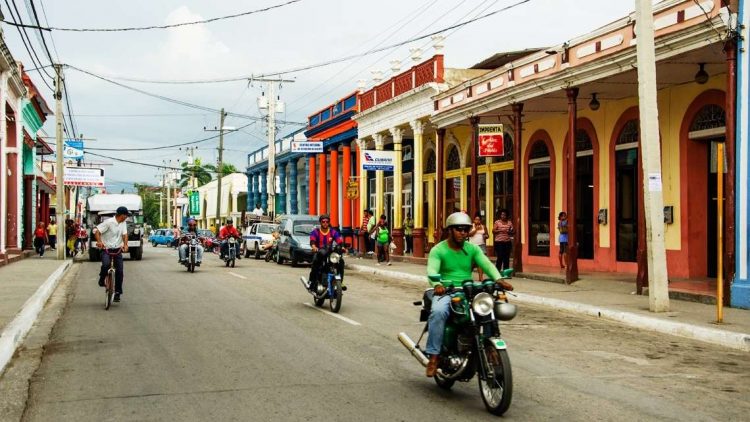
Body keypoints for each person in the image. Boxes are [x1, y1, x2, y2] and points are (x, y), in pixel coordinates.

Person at [425, 212, 514, 377]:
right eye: (459, 229)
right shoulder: (438, 250)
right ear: (450, 230)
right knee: (438, 312)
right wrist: (437, 284)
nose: (463, 233)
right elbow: (432, 269)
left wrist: (499, 279)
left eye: (466, 230)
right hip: (447, 290)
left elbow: (486, 264)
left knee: (488, 309)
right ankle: (434, 356)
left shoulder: (472, 248)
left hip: (468, 289)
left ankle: (489, 348)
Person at [95, 206, 130, 302]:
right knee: (106, 265)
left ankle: (118, 292)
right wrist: (99, 241)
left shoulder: (123, 223)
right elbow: (97, 231)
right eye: (126, 215)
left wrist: (125, 245)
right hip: (106, 248)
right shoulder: (109, 222)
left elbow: (124, 234)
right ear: (122, 215)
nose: (127, 217)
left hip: (117, 249)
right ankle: (102, 279)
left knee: (120, 271)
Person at [307, 214, 343, 291]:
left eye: (327, 222)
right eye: (323, 222)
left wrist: (342, 247)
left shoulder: (333, 232)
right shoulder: (315, 232)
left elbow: (339, 240)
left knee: (341, 262)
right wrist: (314, 247)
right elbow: (312, 241)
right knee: (315, 264)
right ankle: (312, 282)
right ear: (320, 222)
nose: (325, 223)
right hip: (319, 253)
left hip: (330, 254)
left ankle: (340, 281)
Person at [468, 213, 489, 280]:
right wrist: (476, 229)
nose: (477, 221)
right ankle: (467, 276)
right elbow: (469, 235)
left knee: (480, 262)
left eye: (479, 219)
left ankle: (481, 278)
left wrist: (486, 236)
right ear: (474, 220)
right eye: (476, 219)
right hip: (472, 246)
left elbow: (487, 235)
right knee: (471, 263)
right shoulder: (471, 226)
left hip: (481, 246)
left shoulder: (483, 226)